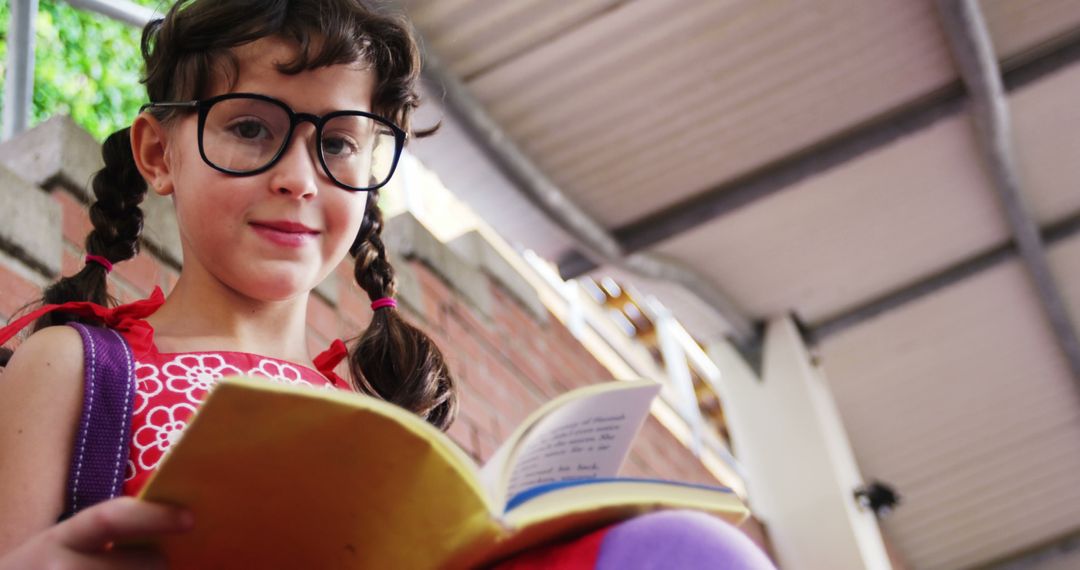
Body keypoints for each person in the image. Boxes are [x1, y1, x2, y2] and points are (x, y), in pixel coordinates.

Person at [0, 1, 775, 568]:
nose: (299, 179)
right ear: (158, 153)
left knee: (684, 550)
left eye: (338, 143)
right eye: (249, 129)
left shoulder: (379, 424)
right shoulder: (80, 364)